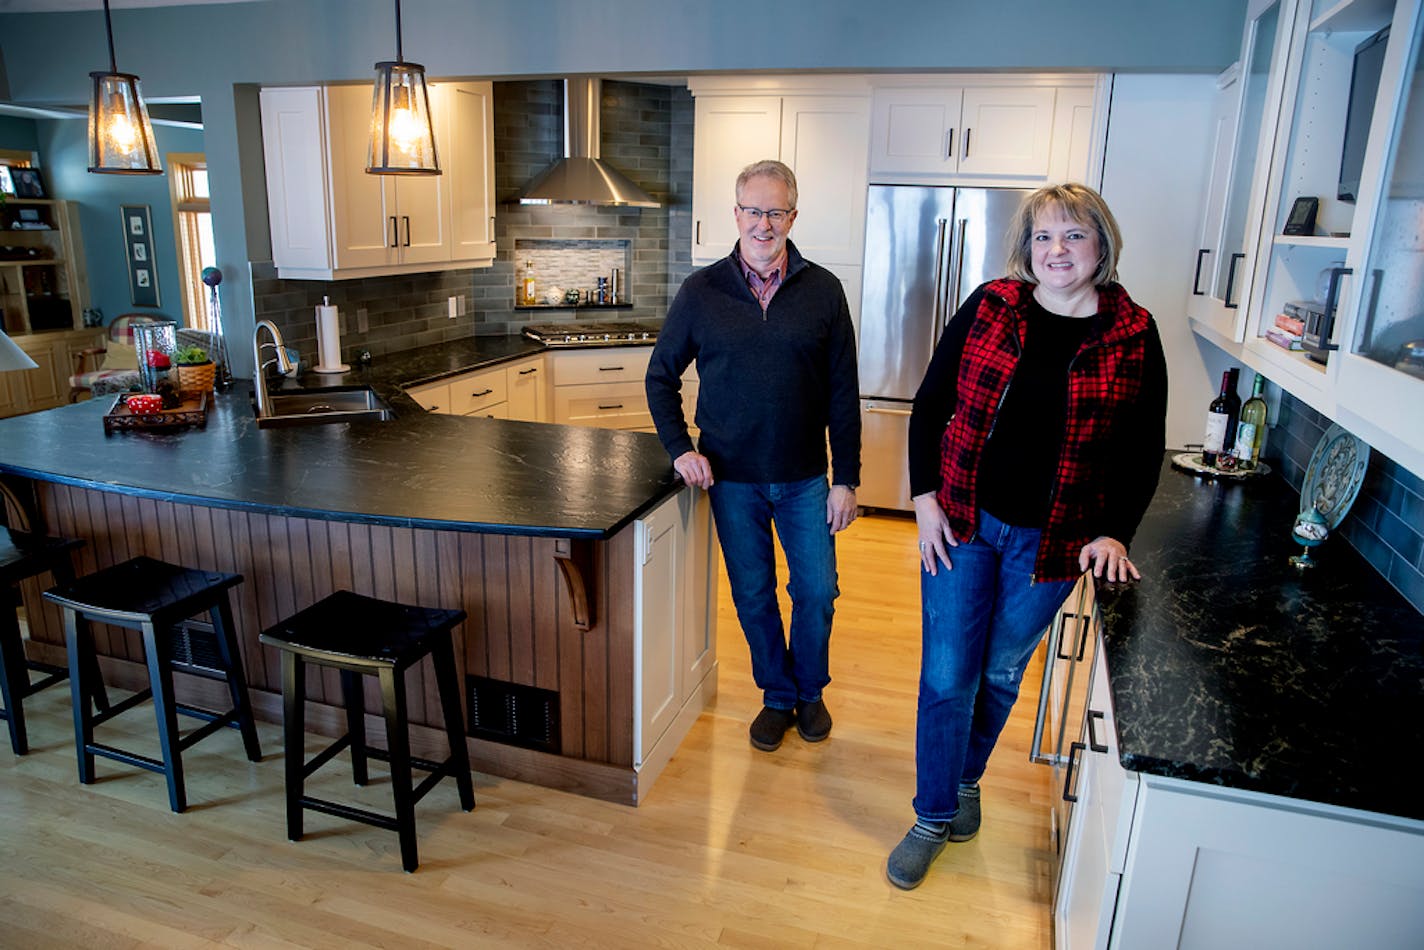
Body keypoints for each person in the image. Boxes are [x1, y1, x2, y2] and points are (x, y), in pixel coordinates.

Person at [886, 183, 1167, 890]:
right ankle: (931, 814)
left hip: (1056, 543)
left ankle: (968, 776)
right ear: (1026, 249)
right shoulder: (991, 306)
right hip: (962, 524)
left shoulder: (1133, 332)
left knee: (1001, 672)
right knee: (948, 675)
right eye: (1044, 237)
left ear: (1102, 245)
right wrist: (922, 502)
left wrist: (1115, 532)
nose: (1057, 251)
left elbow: (1142, 448)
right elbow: (930, 406)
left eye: (1073, 235)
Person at [645, 159, 861, 753]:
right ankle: (778, 695)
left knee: (816, 592)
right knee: (753, 594)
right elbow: (660, 377)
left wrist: (848, 479)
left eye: (776, 211)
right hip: (731, 479)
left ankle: (810, 689)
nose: (764, 224)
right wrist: (680, 450)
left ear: (793, 215)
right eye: (753, 210)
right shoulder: (701, 291)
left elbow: (843, 391)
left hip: (805, 478)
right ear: (736, 213)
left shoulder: (823, 291)